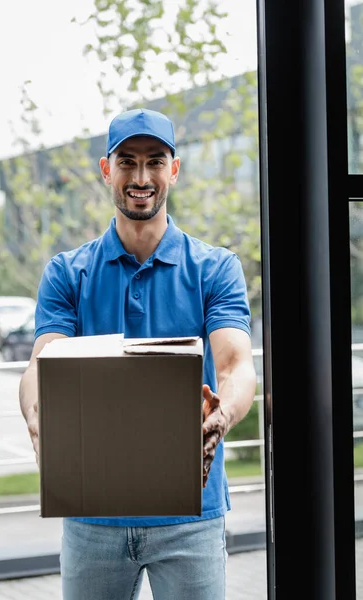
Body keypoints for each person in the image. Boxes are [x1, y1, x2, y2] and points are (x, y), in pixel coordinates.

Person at [19, 107, 257, 600]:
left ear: (174, 169)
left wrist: (224, 415)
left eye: (155, 161)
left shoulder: (216, 268)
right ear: (106, 170)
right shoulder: (67, 272)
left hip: (190, 515)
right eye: (127, 161)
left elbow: (235, 364)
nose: (141, 176)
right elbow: (44, 361)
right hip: (91, 517)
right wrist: (39, 417)